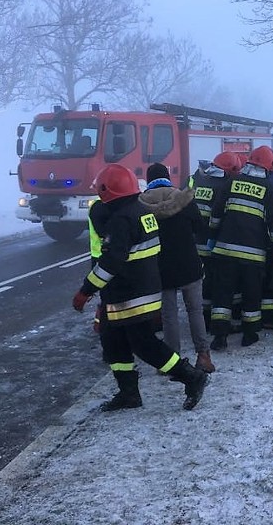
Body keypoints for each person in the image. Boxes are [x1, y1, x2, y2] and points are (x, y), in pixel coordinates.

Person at [72, 163, 209, 411]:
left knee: (144, 344)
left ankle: (192, 377)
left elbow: (112, 261)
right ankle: (129, 393)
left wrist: (86, 291)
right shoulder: (139, 211)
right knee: (114, 341)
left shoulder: (121, 220)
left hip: (129, 292)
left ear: (108, 191)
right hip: (137, 288)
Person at [139, 163, 215, 374]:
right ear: (167, 177)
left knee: (169, 315)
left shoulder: (142, 205)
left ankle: (171, 362)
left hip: (160, 267)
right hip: (189, 264)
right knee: (195, 310)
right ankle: (203, 356)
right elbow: (200, 228)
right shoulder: (184, 199)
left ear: (149, 180)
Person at [208, 145, 273, 349]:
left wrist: (212, 237)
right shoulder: (270, 190)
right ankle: (249, 335)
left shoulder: (232, 183)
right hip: (253, 257)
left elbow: (216, 214)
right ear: (268, 167)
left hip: (224, 251)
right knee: (252, 296)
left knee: (222, 294)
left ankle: (219, 337)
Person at [190, 152, 244, 333]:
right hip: (214, 243)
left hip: (196, 242)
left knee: (204, 282)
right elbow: (221, 217)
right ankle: (222, 321)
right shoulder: (224, 186)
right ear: (229, 170)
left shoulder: (200, 181)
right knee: (220, 283)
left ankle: (204, 318)